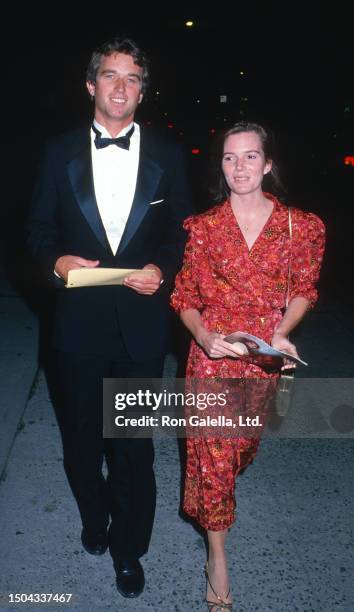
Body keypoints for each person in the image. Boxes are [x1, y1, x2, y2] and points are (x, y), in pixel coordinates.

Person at [27, 36, 193, 600]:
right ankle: (93, 518)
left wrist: (162, 268)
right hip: (77, 327)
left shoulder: (170, 157)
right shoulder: (57, 152)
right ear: (91, 84)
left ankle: (129, 549)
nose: (121, 88)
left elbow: (181, 236)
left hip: (142, 328)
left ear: (143, 91)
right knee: (80, 440)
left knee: (132, 447)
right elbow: (36, 230)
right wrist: (55, 259)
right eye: (111, 76)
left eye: (133, 79)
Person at [171, 121, 325, 610]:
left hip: (263, 360)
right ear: (220, 165)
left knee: (239, 455)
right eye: (230, 157)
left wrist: (283, 332)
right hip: (213, 359)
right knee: (214, 460)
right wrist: (204, 336)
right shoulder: (202, 227)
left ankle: (212, 504)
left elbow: (304, 288)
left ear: (269, 162)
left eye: (250, 156)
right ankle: (218, 560)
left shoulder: (303, 226)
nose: (239, 167)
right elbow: (185, 298)